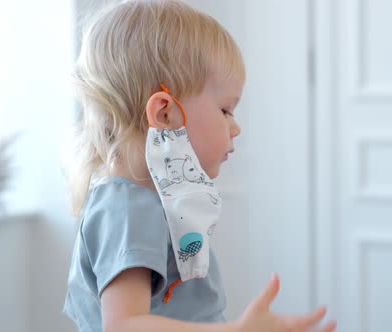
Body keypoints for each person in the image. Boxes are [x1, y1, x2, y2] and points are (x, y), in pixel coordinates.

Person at [62, 1, 337, 331]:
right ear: (166, 114)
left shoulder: (148, 202)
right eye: (225, 110)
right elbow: (123, 325)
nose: (235, 127)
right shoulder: (128, 207)